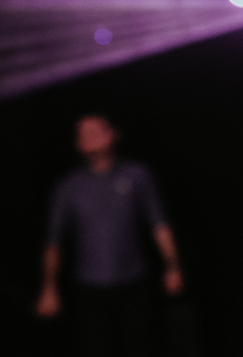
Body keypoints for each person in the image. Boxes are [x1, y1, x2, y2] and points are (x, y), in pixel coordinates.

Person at [35, 114, 184, 357]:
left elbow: (159, 223)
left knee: (140, 347)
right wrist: (49, 288)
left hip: (133, 283)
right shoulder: (68, 187)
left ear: (113, 134)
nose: (90, 136)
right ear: (77, 144)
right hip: (89, 290)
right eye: (83, 133)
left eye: (96, 130)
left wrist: (173, 266)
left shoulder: (137, 175)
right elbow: (53, 241)